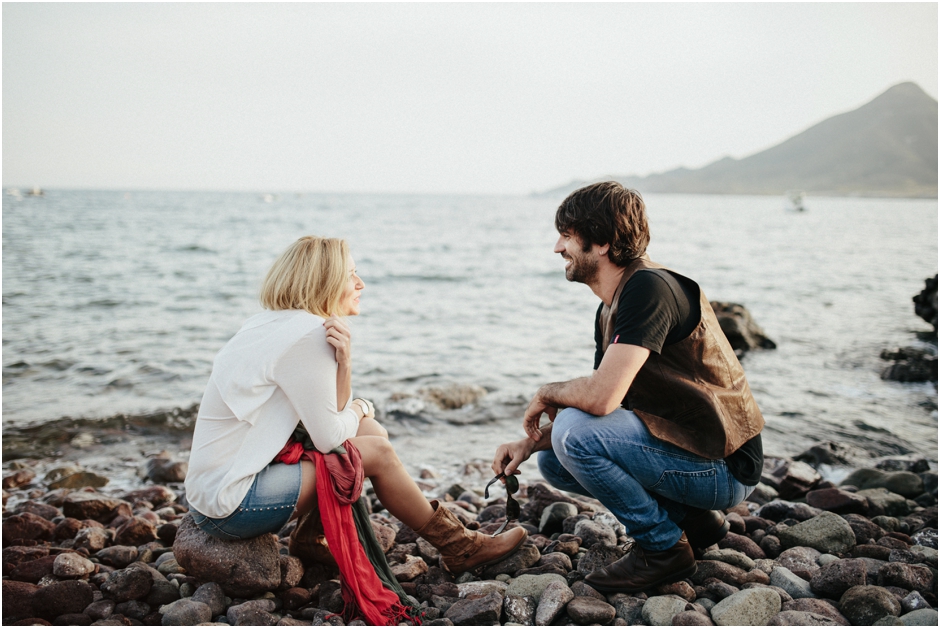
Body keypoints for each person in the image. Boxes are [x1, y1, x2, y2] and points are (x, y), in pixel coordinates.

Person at [185, 235, 527, 582]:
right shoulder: (307, 334)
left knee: (370, 433)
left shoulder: (268, 322)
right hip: (231, 506)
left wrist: (344, 363)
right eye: (352, 274)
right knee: (375, 450)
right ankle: (459, 547)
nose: (360, 283)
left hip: (212, 491)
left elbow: (331, 416)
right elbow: (328, 437)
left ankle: (309, 538)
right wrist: (363, 405)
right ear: (325, 280)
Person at [492, 182, 764, 593]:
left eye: (566, 235)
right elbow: (609, 407)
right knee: (554, 460)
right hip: (693, 451)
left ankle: (664, 548)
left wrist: (547, 392)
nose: (557, 248)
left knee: (572, 436)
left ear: (600, 241)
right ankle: (693, 521)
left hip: (725, 466)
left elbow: (601, 399)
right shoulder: (612, 306)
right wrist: (528, 443)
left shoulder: (648, 288)